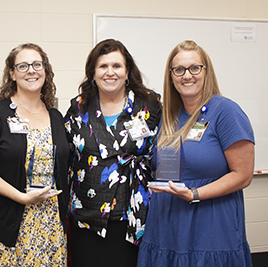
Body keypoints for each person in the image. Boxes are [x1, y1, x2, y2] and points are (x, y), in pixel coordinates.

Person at [137, 40, 254, 267]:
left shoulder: (226, 111)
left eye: (194, 68)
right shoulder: (169, 116)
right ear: (171, 76)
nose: (186, 75)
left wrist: (194, 193)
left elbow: (243, 174)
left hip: (210, 223)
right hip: (168, 221)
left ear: (206, 71)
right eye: (179, 70)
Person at [0, 43, 69, 266]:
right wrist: (22, 197)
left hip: (51, 224)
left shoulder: (56, 116)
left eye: (37, 64)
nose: (31, 71)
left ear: (45, 70)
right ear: (12, 73)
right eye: (22, 66)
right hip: (9, 225)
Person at [65, 39, 162, 266]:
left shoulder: (149, 106)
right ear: (93, 73)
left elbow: (165, 150)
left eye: (117, 66)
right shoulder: (78, 107)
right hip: (86, 214)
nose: (110, 72)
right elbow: (63, 152)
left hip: (134, 215)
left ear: (127, 71)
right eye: (103, 66)